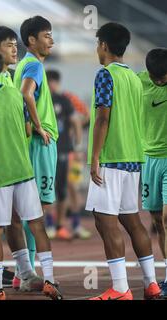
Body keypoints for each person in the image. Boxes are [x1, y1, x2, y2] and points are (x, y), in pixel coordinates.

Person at [0, 47, 62, 300]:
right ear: (1, 69)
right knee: (37, 225)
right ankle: (49, 279)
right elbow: (28, 130)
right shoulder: (16, 95)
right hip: (23, 170)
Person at [86, 22, 160, 300]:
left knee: (105, 221)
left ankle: (120, 288)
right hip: (134, 159)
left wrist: (94, 158)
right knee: (133, 220)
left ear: (103, 45)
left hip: (111, 158)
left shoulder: (105, 75)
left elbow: (103, 117)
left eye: (97, 44)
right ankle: (151, 284)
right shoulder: (133, 77)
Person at [0, 25, 44, 292]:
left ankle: (26, 271)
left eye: (14, 44)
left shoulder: (9, 78)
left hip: (11, 159)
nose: (14, 49)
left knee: (15, 219)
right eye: (9, 44)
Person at [14, 16, 58, 271]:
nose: (51, 40)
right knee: (35, 211)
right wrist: (40, 126)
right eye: (46, 35)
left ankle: (25, 269)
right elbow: (25, 93)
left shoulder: (24, 64)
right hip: (40, 143)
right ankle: (27, 270)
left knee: (30, 209)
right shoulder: (34, 66)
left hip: (30, 142)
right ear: (32, 40)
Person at [138, 48, 167, 298]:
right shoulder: (139, 81)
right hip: (148, 159)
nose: (162, 81)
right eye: (158, 78)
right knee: (158, 221)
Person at [46, 70, 85, 240]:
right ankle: (49, 224)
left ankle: (70, 225)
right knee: (47, 188)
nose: (51, 85)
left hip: (65, 152)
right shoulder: (39, 99)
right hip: (46, 151)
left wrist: (77, 147)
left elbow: (81, 118)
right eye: (49, 81)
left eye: (54, 81)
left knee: (69, 188)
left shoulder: (66, 99)